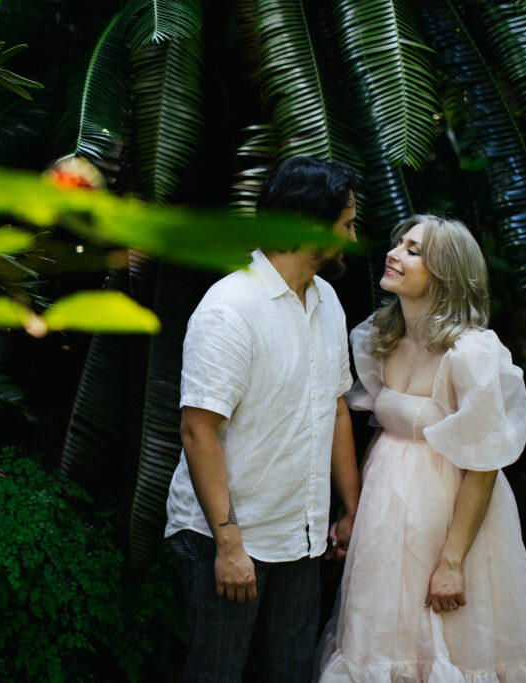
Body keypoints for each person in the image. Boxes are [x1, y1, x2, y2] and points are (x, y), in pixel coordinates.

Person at [315, 215, 526, 681]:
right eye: (397, 244)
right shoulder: (378, 339)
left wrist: (452, 562)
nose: (393, 253)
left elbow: (484, 463)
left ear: (445, 272)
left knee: (454, 640)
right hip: (385, 510)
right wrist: (354, 512)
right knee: (381, 635)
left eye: (412, 249)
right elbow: (387, 432)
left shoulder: (473, 353)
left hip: (449, 514)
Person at [164, 155, 363, 682]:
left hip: (301, 537)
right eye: (345, 224)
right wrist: (229, 545)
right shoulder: (231, 307)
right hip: (227, 538)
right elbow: (196, 428)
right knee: (218, 674)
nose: (352, 235)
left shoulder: (327, 300)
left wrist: (349, 508)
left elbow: (336, 407)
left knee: (292, 674)